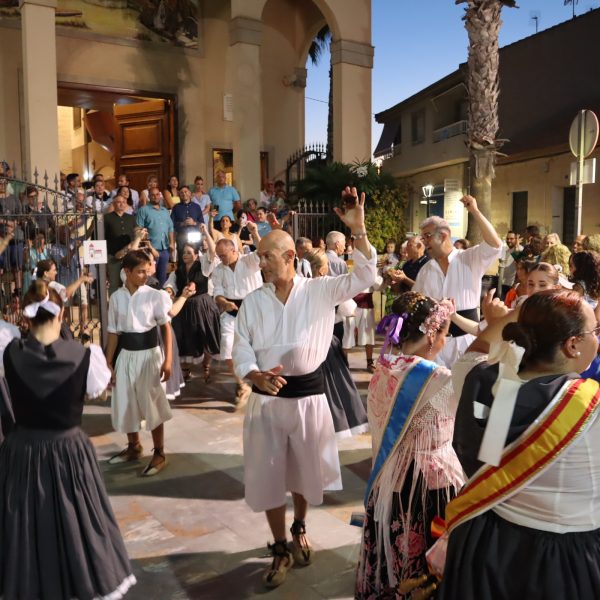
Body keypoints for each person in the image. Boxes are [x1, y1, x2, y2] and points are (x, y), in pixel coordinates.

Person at [232, 187, 377, 589]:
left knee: (302, 473)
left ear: (289, 258)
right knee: (269, 474)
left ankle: (298, 526)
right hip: (266, 402)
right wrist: (254, 375)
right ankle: (278, 544)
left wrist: (360, 232)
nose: (259, 263)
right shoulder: (253, 301)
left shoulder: (320, 290)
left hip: (310, 401)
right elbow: (240, 347)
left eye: (266, 256)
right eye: (258, 256)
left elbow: (367, 276)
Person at [437, 290, 600, 600]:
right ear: (572, 344)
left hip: (486, 545)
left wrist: (522, 311)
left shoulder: (481, 381)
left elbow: (479, 347)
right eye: (595, 331)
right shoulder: (590, 408)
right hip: (561, 561)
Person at [0, 280, 136, 599]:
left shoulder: (8, 352)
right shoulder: (86, 354)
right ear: (61, 314)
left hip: (22, 452)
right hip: (69, 451)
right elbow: (95, 390)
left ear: (25, 316)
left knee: (23, 524)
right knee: (79, 521)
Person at [355, 292, 464, 599]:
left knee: (393, 558)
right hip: (427, 489)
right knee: (423, 571)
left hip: (390, 482)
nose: (446, 340)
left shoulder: (386, 365)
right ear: (432, 335)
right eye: (444, 333)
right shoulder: (436, 378)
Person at [105, 250, 173, 476]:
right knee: (126, 402)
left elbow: (165, 328)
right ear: (127, 272)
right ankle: (134, 446)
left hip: (149, 355)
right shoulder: (116, 297)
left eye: (148, 270)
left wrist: (168, 360)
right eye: (140, 271)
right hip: (125, 354)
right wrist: (109, 362)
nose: (146, 275)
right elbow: (113, 332)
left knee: (152, 403)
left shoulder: (155, 295)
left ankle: (160, 452)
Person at [413, 195, 502, 368]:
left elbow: (495, 245)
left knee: (464, 390)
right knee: (437, 393)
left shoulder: (469, 259)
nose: (424, 243)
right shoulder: (425, 270)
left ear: (444, 235)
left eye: (427, 237)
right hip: (434, 344)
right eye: (423, 238)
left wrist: (474, 211)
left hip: (466, 341)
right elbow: (417, 301)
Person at [304, 249, 368, 438]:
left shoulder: (298, 285)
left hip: (303, 343)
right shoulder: (329, 285)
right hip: (326, 340)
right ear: (323, 269)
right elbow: (349, 310)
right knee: (334, 385)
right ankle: (333, 423)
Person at [212, 223, 262, 404]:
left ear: (234, 251)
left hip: (253, 308)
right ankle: (242, 384)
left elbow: (262, 251)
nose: (221, 259)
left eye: (223, 255)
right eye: (219, 256)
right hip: (230, 310)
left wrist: (255, 232)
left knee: (258, 348)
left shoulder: (249, 261)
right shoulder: (218, 269)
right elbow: (217, 291)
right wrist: (223, 302)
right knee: (226, 349)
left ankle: (259, 380)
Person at [164, 241, 220, 383]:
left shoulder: (204, 267)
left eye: (189, 252)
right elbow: (171, 282)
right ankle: (186, 370)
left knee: (205, 336)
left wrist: (206, 233)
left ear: (196, 255)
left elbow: (212, 254)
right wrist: (169, 290)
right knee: (184, 338)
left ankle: (206, 367)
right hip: (184, 307)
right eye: (184, 253)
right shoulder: (179, 270)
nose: (185, 255)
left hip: (203, 306)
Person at [136, 187, 175, 286]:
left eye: (157, 194)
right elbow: (139, 229)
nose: (155, 197)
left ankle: (160, 297)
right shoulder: (143, 210)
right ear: (149, 196)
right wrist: (149, 246)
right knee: (150, 277)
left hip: (165, 248)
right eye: (152, 195)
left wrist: (171, 243)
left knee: (163, 277)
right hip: (150, 250)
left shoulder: (165, 210)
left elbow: (170, 227)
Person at [105, 193, 138, 294]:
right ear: (114, 204)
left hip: (129, 256)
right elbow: (102, 238)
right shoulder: (106, 218)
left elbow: (136, 231)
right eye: (118, 202)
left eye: (123, 202)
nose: (121, 204)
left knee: (130, 283)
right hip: (113, 257)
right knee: (114, 285)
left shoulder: (131, 218)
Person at [171, 184, 204, 251]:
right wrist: (182, 224)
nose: (184, 194)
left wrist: (194, 223)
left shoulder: (197, 207)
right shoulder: (176, 208)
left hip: (195, 237)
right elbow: (171, 224)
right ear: (179, 195)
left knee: (196, 258)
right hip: (181, 237)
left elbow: (202, 223)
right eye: (181, 192)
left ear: (190, 193)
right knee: (182, 257)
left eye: (185, 191)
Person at [499, 230, 523, 299]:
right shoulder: (507, 250)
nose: (509, 240)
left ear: (516, 239)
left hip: (512, 284)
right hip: (503, 282)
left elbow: (519, 262)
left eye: (511, 239)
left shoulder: (520, 249)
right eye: (507, 238)